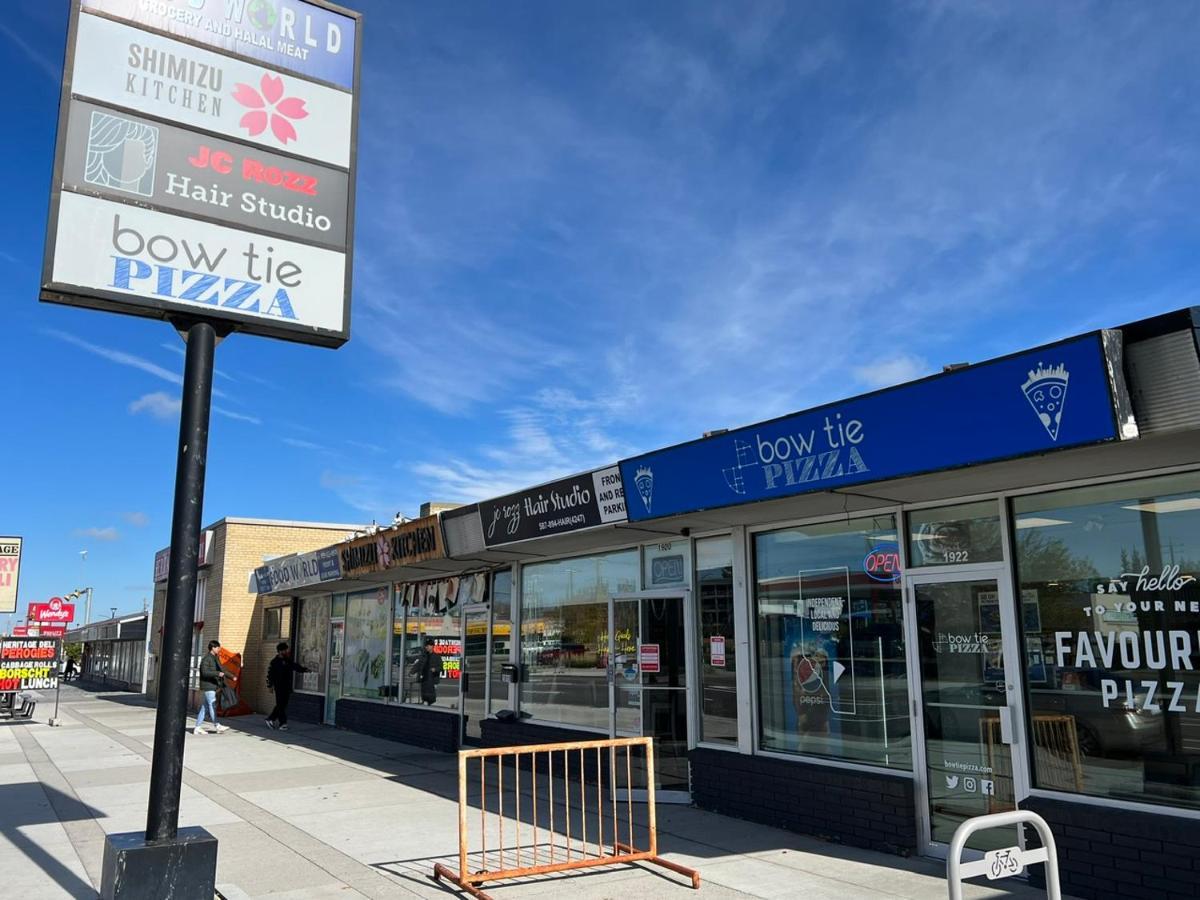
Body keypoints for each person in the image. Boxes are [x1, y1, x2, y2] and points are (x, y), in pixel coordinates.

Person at [266, 642, 309, 732]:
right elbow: (270, 675)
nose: (287, 651)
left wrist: (304, 670)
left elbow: (295, 666)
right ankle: (283, 724)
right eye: (285, 650)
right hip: (279, 686)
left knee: (282, 705)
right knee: (281, 705)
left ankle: (270, 719)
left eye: (287, 649)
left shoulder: (287, 660)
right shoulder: (274, 662)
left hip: (287, 686)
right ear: (280, 651)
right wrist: (270, 686)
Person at [195, 640, 229, 735]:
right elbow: (205, 672)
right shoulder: (207, 659)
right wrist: (218, 673)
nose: (219, 649)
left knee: (204, 707)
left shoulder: (214, 658)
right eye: (218, 648)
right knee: (212, 705)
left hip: (211, 685)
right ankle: (217, 725)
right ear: (213, 648)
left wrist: (231, 676)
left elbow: (220, 669)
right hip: (208, 686)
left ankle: (197, 727)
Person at [414, 637, 440, 705]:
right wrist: (412, 672)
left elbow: (441, 667)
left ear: (432, 646)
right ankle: (425, 702)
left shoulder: (437, 656)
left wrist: (435, 669)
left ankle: (430, 703)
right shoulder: (423, 656)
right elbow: (418, 665)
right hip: (424, 679)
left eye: (428, 646)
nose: (426, 647)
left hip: (432, 680)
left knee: (431, 696)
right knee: (424, 694)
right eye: (426, 646)